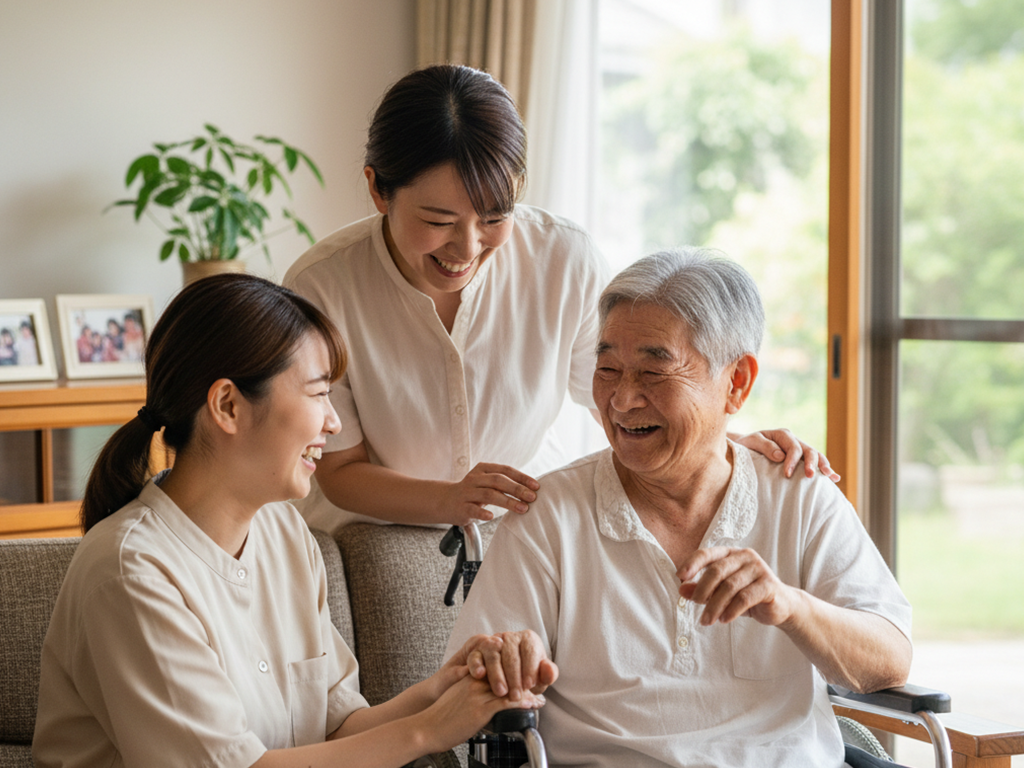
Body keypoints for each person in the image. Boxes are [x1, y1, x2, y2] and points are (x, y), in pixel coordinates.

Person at [284, 63, 836, 536]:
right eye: (438, 221)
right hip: (376, 535)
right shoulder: (322, 287)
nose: (468, 246)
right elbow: (339, 468)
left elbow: (621, 397)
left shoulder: (563, 260)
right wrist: (448, 499)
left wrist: (724, 437)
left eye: (495, 218)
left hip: (523, 520)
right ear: (379, 189)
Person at [32, 274, 551, 768]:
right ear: (228, 405)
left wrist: (448, 687)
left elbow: (339, 727)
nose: (335, 422)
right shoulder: (131, 573)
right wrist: (431, 729)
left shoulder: (285, 531)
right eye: (319, 392)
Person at [445, 249, 912, 768]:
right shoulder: (548, 513)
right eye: (608, 370)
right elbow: (465, 690)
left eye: (652, 373)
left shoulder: (799, 493)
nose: (622, 400)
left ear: (736, 383)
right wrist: (498, 667)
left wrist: (790, 606)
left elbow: (888, 661)